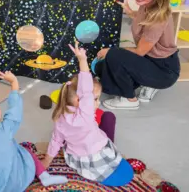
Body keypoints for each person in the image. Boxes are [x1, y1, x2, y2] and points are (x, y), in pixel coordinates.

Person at [0, 71, 68, 191]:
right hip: (16, 182)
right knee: (25, 152)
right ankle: (45, 176)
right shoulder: (4, 131)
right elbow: (15, 111)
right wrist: (14, 83)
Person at [42, 41, 132, 186]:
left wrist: (46, 161)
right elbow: (86, 88)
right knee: (109, 117)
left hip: (78, 158)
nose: (96, 102)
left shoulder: (60, 117)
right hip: (98, 155)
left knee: (100, 116)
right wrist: (82, 60)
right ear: (81, 100)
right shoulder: (86, 114)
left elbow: (56, 141)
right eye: (95, 99)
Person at [96, 0, 180, 110]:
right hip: (150, 60)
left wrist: (109, 51)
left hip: (163, 70)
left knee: (114, 54)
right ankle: (146, 83)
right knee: (101, 68)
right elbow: (143, 20)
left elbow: (140, 51)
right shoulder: (147, 4)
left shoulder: (158, 19)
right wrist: (130, 12)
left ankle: (130, 99)